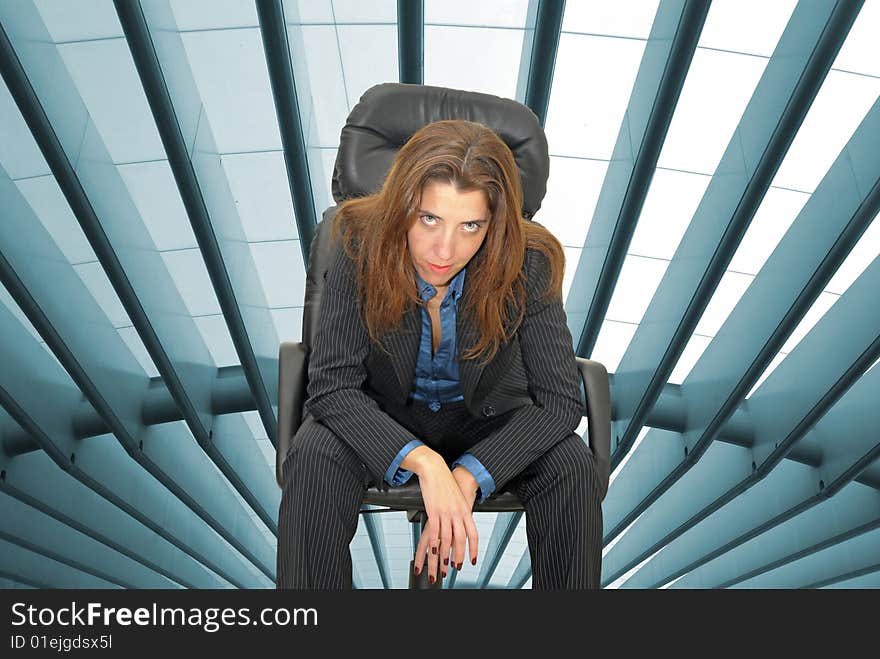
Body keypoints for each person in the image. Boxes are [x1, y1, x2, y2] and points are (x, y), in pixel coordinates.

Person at [277, 119, 602, 589]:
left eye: (471, 226)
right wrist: (427, 465)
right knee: (313, 456)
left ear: (495, 224)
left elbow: (559, 403)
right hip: (383, 414)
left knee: (570, 467)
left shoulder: (530, 261)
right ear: (402, 206)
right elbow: (333, 386)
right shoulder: (357, 242)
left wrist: (466, 478)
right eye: (429, 218)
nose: (445, 249)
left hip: (485, 422)